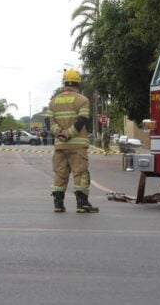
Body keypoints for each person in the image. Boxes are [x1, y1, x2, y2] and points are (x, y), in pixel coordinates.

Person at [46, 69, 99, 213]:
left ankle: (58, 204)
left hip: (60, 145)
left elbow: (50, 122)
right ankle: (82, 204)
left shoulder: (53, 101)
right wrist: (69, 134)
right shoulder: (82, 100)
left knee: (60, 174)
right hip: (77, 145)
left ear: (64, 83)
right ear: (78, 83)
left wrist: (60, 134)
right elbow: (82, 120)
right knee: (80, 173)